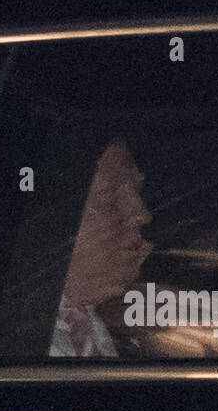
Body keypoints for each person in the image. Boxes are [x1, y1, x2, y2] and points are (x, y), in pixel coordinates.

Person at [49, 137, 153, 357]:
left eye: (136, 191)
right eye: (111, 196)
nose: (141, 216)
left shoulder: (86, 324)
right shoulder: (29, 335)